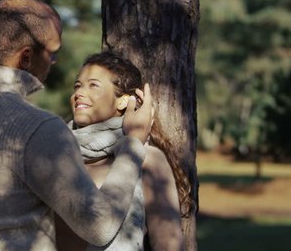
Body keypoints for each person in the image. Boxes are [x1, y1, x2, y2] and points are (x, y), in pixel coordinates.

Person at [0, 0, 155, 251]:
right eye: (52, 54)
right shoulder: (37, 127)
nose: (54, 63)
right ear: (26, 58)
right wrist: (132, 142)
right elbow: (99, 226)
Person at [57, 51, 195, 251]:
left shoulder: (147, 158)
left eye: (93, 85)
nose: (79, 93)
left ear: (124, 101)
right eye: (77, 86)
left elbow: (168, 243)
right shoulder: (55, 150)